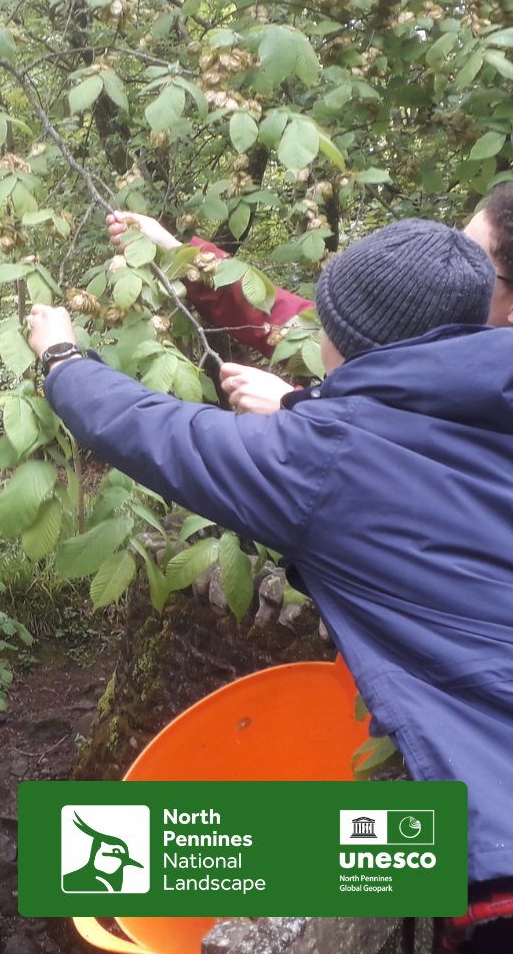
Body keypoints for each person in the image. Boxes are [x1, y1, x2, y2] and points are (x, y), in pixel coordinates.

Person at [27, 219, 513, 952]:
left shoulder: (320, 460)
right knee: (98, 852)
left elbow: (150, 429)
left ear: (341, 342)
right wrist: (301, 408)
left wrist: (61, 356)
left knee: (87, 854)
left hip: (495, 848)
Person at [106, 183, 513, 413]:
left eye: (475, 257)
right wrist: (178, 251)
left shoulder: (484, 409)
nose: (452, 258)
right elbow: (294, 323)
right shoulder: (432, 340)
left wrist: (294, 410)